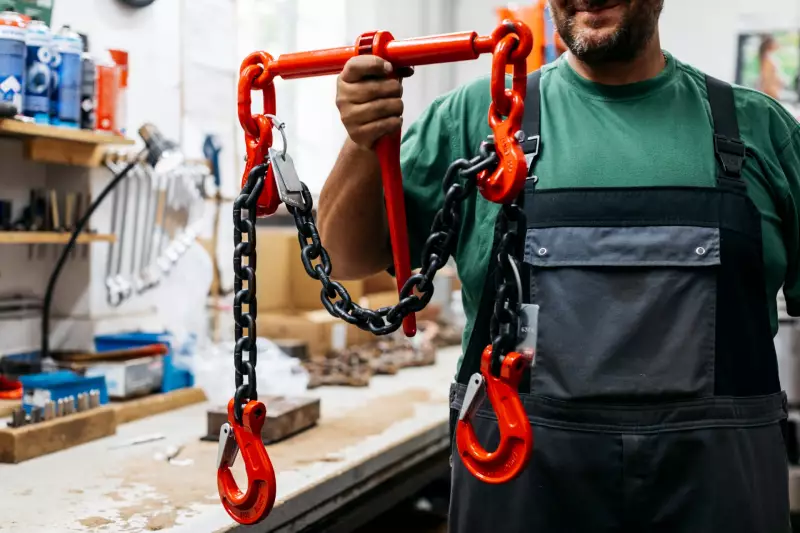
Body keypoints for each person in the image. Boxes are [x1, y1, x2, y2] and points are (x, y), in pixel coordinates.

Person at [318, 0, 800, 531]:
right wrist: (363, 143)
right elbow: (345, 258)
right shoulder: (476, 119)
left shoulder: (761, 131)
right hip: (522, 491)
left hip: (720, 499)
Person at [759, 34, 784, 100]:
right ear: (770, 44)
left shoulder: (770, 57)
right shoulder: (767, 59)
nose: (777, 44)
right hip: (770, 90)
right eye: (775, 42)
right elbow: (766, 77)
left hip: (773, 90)